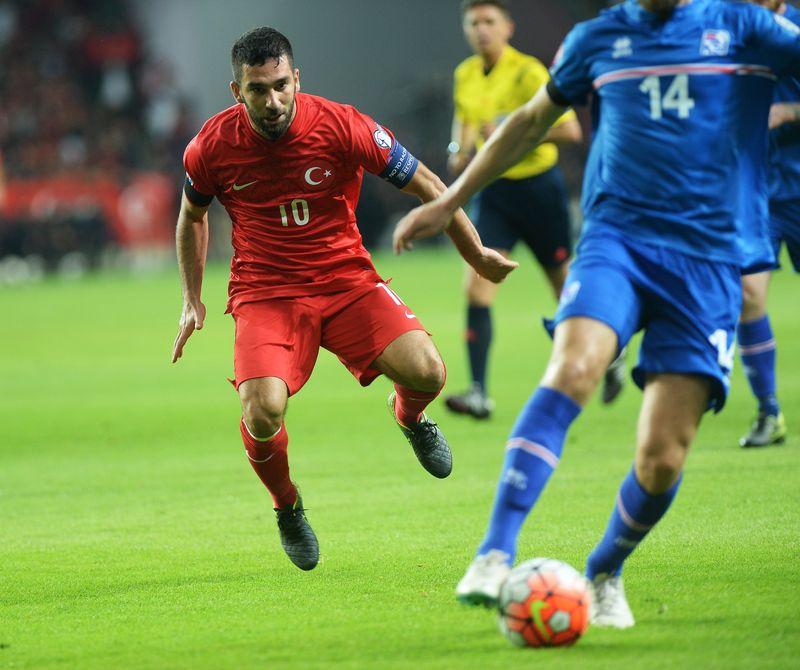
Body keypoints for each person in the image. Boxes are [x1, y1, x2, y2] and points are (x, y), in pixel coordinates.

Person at [393, 0, 800, 627]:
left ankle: (606, 569)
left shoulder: (743, 27)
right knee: (575, 366)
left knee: (663, 456)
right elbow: (531, 122)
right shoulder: (599, 39)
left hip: (709, 259)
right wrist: (450, 201)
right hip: (619, 242)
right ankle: (494, 552)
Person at [171, 27, 517, 572]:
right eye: (257, 90)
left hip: (345, 280)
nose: (273, 100)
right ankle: (287, 506)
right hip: (266, 293)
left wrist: (474, 255)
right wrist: (192, 298)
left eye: (281, 85)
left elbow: (427, 183)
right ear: (236, 92)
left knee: (429, 373)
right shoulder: (211, 146)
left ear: (297, 79)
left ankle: (409, 417)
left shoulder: (341, 125)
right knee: (262, 411)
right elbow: (192, 215)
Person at [444, 0, 594, 419]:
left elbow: (569, 129)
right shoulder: (465, 74)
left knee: (563, 289)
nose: (481, 30)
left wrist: (511, 129)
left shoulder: (529, 71)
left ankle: (603, 360)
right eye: (473, 23)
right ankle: (478, 391)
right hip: (496, 193)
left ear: (508, 27)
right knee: (477, 286)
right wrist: (459, 151)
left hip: (539, 191)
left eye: (489, 21)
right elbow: (465, 125)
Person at [737, 0, 800, 448]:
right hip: (758, 192)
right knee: (747, 294)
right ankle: (769, 410)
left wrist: (792, 111)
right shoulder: (733, 27)